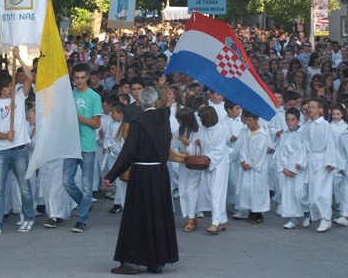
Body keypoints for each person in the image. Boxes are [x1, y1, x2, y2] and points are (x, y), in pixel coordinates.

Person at [104, 87, 178, 275]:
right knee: (158, 216)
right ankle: (157, 261)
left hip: (143, 174)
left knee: (137, 217)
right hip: (160, 174)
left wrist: (111, 175)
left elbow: (128, 153)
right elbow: (166, 108)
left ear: (141, 102)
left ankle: (131, 261)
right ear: (154, 101)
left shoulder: (139, 123)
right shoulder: (164, 118)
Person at [0, 67, 35, 236]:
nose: (11, 88)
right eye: (7, 86)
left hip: (19, 150)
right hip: (2, 152)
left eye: (12, 85)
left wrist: (20, 57)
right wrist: (5, 135)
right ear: (0, 88)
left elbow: (30, 78)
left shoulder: (19, 96)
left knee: (24, 187)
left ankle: (28, 218)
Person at [63, 63, 102, 233]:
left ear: (88, 77)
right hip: (71, 144)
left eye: (82, 77)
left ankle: (82, 218)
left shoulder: (94, 97)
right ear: (73, 78)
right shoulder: (69, 96)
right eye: (76, 78)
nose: (79, 81)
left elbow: (96, 123)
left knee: (87, 186)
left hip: (87, 146)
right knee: (67, 181)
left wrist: (78, 117)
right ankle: (84, 205)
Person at [304, 97, 337, 232]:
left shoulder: (325, 125)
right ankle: (315, 215)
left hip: (323, 161)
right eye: (309, 107)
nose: (310, 109)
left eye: (313, 107)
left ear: (320, 110)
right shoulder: (307, 125)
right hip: (311, 160)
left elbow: (330, 143)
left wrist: (330, 161)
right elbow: (304, 145)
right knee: (312, 192)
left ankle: (326, 218)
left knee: (321, 192)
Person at [196, 105, 229, 234]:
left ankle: (215, 222)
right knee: (212, 191)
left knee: (217, 192)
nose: (200, 120)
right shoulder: (202, 129)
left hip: (218, 163)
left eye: (202, 118)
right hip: (207, 162)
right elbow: (200, 142)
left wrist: (208, 157)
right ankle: (221, 219)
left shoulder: (220, 129)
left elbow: (220, 149)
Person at [236, 110, 270, 224]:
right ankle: (250, 211)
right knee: (247, 189)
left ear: (256, 120)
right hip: (247, 165)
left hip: (257, 167)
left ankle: (259, 213)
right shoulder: (245, 131)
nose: (247, 122)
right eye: (246, 120)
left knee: (258, 190)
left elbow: (260, 152)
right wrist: (243, 160)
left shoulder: (263, 135)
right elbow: (242, 147)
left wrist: (251, 163)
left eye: (249, 120)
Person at [279, 107, 307, 229]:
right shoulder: (284, 134)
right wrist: (284, 167)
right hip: (287, 169)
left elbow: (302, 151)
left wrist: (292, 168)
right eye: (288, 119)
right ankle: (293, 218)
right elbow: (281, 152)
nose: (290, 122)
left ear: (298, 120)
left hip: (298, 168)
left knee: (299, 193)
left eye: (293, 119)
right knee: (289, 193)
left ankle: (307, 213)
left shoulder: (303, 134)